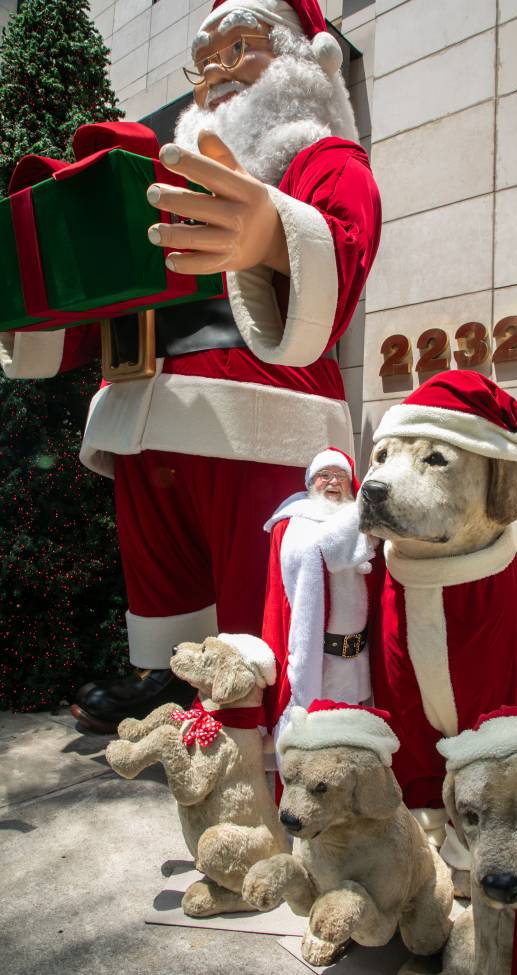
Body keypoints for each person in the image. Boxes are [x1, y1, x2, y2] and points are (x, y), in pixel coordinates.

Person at [0, 0, 381, 731]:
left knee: (262, 580)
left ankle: (275, 700)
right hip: (146, 406)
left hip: (261, 411)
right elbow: (101, 306)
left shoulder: (320, 156)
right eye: (203, 61)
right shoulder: (158, 179)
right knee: (162, 570)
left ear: (304, 56)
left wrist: (273, 232)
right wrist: (34, 302)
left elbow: (347, 245)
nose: (215, 73)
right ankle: (171, 677)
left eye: (238, 48)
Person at [262, 448, 378, 739]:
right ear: (309, 483)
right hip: (320, 661)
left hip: (359, 659)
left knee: (354, 740)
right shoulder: (294, 522)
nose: (333, 482)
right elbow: (322, 548)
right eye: (324, 476)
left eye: (341, 477)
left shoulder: (367, 526)